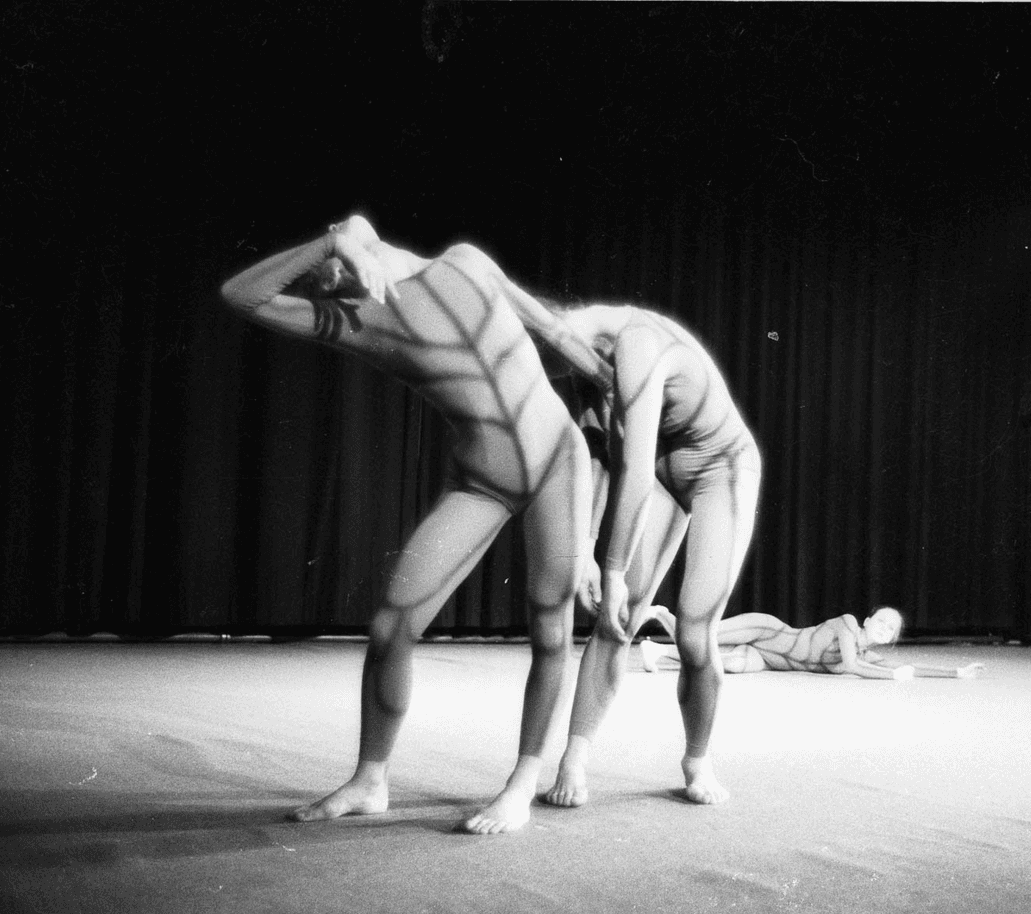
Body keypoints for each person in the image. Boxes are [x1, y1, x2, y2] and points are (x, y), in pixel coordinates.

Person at [220, 214, 611, 833]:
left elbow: (557, 335)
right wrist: (328, 243)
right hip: (484, 481)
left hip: (561, 462)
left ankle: (521, 782)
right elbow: (239, 295)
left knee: (551, 631)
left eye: (336, 253)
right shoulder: (357, 319)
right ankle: (370, 779)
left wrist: (620, 392)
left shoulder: (467, 259)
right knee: (391, 625)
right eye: (326, 271)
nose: (328, 273)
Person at [527, 302, 762, 809]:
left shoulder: (638, 343)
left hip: (720, 470)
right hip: (661, 473)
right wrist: (589, 550)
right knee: (619, 619)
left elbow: (632, 469)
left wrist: (611, 570)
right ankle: (574, 756)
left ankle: (697, 759)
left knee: (695, 633)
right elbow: (599, 457)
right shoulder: (590, 365)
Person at [637, 605, 982, 680]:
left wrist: (956, 672)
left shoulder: (869, 657)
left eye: (891, 630)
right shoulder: (847, 625)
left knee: (726, 664)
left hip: (769, 659)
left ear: (890, 639)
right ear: (867, 621)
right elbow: (850, 665)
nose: (884, 629)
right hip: (768, 631)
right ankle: (661, 614)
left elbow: (909, 667)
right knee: (704, 634)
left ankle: (659, 651)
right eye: (882, 621)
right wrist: (892, 676)